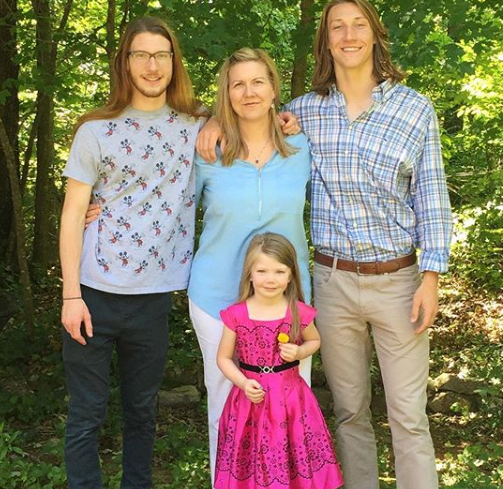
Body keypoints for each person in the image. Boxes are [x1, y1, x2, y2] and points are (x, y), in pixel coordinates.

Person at [197, 1, 453, 488]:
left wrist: (431, 277)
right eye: (337, 26)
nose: (349, 35)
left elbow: (432, 197)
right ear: (326, 40)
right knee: (349, 412)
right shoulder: (305, 113)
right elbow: (248, 108)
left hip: (398, 280)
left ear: (375, 35)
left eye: (359, 25)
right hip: (330, 284)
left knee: (408, 414)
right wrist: (210, 118)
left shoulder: (414, 108)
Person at [59, 17, 203, 489]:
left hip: (153, 299)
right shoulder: (95, 131)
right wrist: (70, 295)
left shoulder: (197, 127)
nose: (152, 64)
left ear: (174, 62)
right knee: (87, 414)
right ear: (125, 62)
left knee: (142, 413)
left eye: (161, 54)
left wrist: (289, 117)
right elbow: (72, 213)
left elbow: (255, 112)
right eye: (140, 54)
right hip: (93, 296)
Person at [187, 48, 313, 482]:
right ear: (226, 93)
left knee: (289, 411)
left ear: (275, 90)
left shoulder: (302, 148)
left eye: (258, 81)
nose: (249, 92)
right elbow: (168, 208)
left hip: (288, 306)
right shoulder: (207, 150)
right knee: (226, 407)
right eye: (237, 84)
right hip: (217, 299)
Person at [215, 232, 343, 489]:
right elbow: (224, 358)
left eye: (279, 272)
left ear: (290, 275)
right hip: (250, 400)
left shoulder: (298, 312)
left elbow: (314, 341)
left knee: (291, 454)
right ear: (249, 274)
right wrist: (242, 382)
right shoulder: (236, 314)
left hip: (292, 400)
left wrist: (298, 353)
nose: (270, 279)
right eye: (261, 271)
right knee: (251, 460)